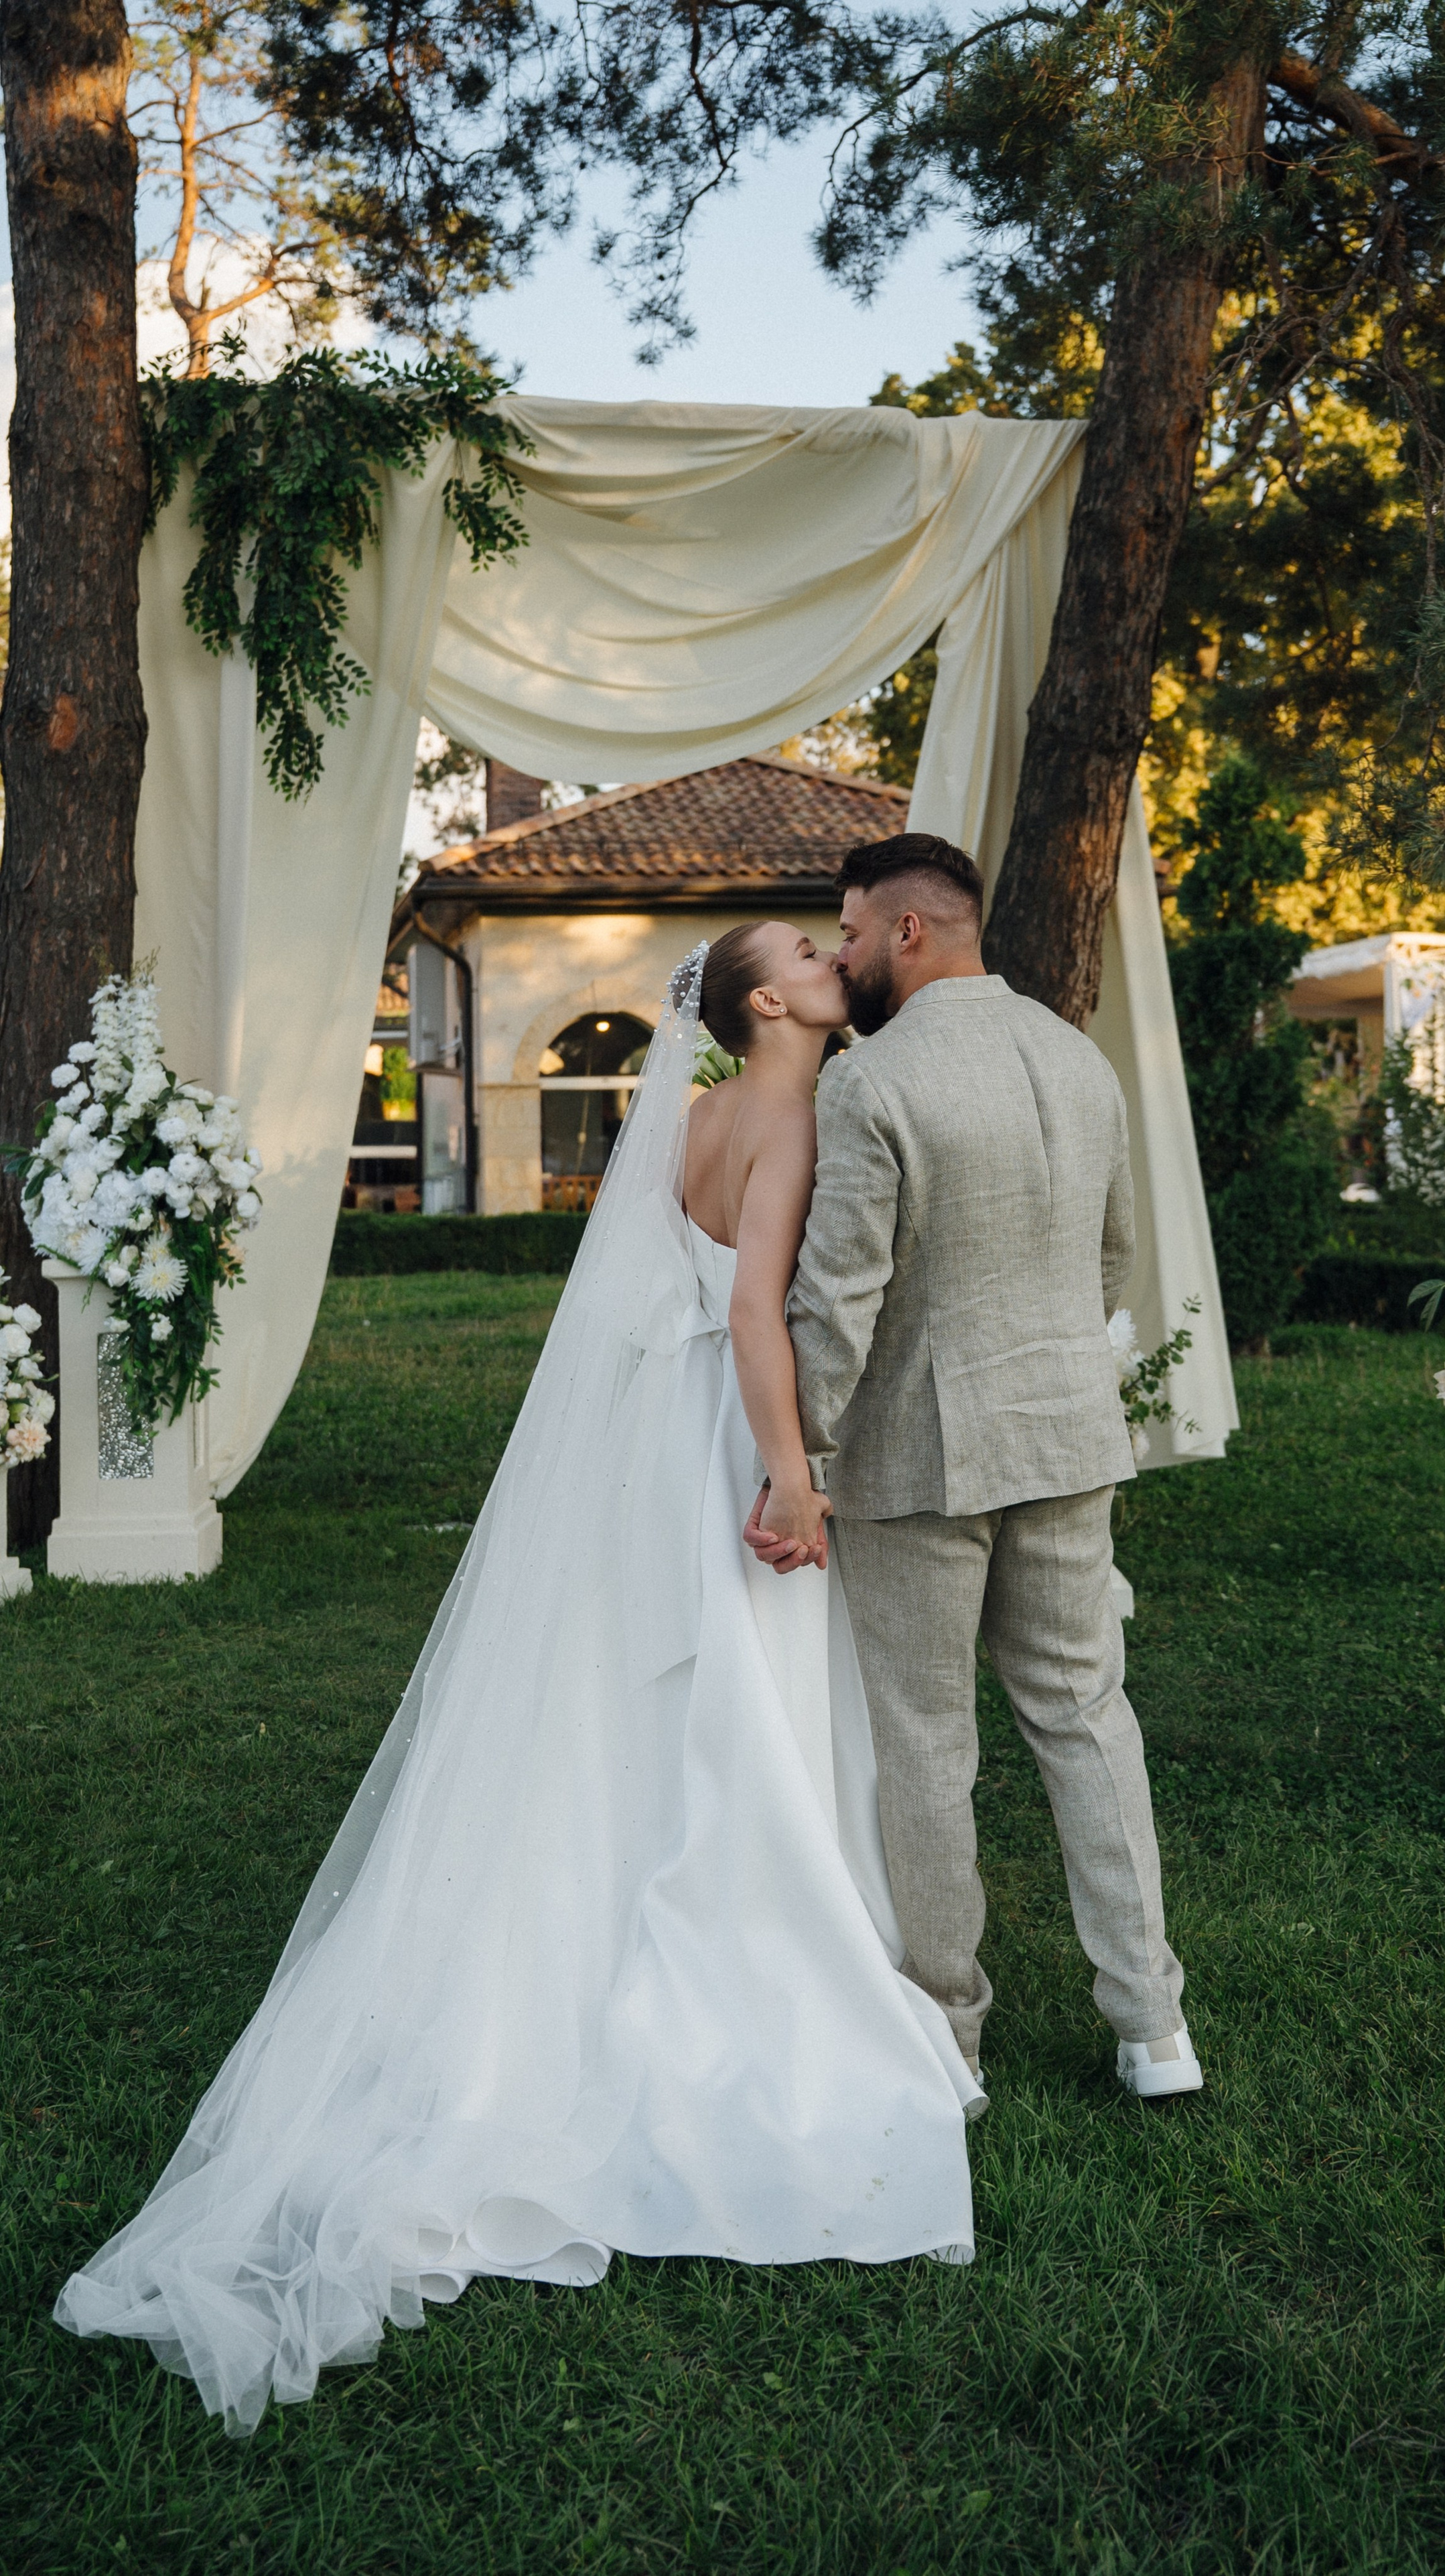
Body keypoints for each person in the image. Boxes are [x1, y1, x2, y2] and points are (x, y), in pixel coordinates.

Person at [56, 933, 978, 2439]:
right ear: (764, 1002)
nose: (834, 958)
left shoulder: (692, 1115)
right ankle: (736, 1947)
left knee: (621, 1714)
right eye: (811, 953)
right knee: (736, 1707)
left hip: (650, 1431)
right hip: (731, 1434)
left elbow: (652, 1286)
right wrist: (791, 1477)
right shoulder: (792, 1118)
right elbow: (756, 1313)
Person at [746, 832, 1200, 2106]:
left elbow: (838, 1301)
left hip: (918, 1456)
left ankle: (951, 2035)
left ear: (908, 931)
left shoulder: (871, 1082)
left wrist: (799, 1460)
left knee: (927, 1746)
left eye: (849, 931)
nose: (841, 954)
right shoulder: (1078, 1058)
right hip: (1067, 1433)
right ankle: (1155, 2027)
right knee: (1087, 1719)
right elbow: (1111, 1257)